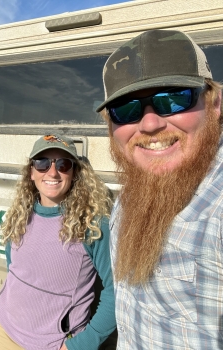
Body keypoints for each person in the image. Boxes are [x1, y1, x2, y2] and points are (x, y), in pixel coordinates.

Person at [95, 29, 223, 349]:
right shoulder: (135, 190)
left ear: (215, 103)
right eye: (126, 108)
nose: (150, 124)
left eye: (174, 97)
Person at [0, 134, 116, 350]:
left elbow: (116, 290)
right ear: (31, 172)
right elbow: (12, 267)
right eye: (42, 163)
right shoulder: (20, 213)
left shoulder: (92, 223)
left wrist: (82, 345)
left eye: (63, 164)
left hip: (53, 344)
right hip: (6, 329)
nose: (52, 172)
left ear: (74, 173)